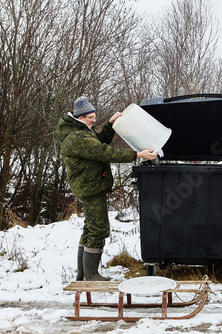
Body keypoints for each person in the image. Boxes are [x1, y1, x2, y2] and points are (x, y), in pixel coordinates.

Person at [55, 96, 157, 281]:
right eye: (90, 117)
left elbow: (100, 142)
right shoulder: (78, 137)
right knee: (98, 229)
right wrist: (137, 154)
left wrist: (110, 125)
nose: (94, 120)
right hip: (90, 188)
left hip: (90, 186)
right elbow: (103, 152)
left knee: (90, 228)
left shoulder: (82, 131)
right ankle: (91, 275)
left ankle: (83, 274)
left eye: (94, 116)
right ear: (80, 117)